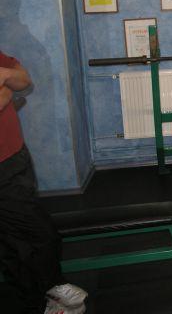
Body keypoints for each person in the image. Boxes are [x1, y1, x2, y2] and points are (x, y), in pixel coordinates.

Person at [0, 51, 87, 314]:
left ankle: (39, 299)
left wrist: (5, 76)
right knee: (39, 234)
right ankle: (51, 287)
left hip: (16, 157)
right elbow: (9, 93)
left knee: (13, 239)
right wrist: (7, 90)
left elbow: (23, 81)